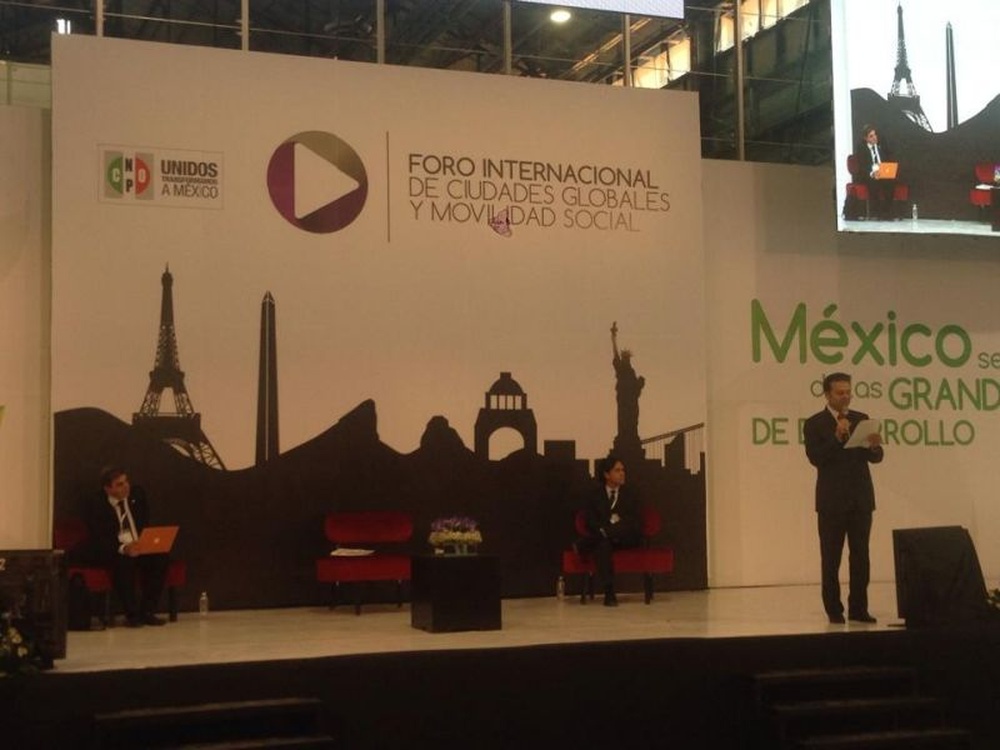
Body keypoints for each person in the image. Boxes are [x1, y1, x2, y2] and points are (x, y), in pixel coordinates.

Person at [803, 373, 884, 625]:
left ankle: (859, 608)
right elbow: (816, 458)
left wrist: (874, 447)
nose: (846, 396)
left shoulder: (861, 419)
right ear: (827, 394)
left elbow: (876, 458)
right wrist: (836, 438)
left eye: (848, 391)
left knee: (861, 556)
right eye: (840, 392)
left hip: (861, 499)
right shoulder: (815, 423)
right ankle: (834, 609)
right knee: (831, 558)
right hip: (832, 502)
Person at [84, 466, 169, 627]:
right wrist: (124, 548)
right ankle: (132, 614)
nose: (126, 487)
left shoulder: (137, 495)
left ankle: (148, 611)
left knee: (160, 558)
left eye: (126, 481)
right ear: (108, 489)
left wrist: (144, 543)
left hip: (138, 545)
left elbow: (144, 523)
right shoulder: (97, 504)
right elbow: (100, 537)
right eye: (119, 484)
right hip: (114, 549)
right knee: (123, 562)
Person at [575, 454, 642, 607]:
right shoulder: (594, 495)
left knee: (608, 534)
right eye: (617, 470)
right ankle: (609, 592)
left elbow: (634, 522)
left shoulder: (631, 494)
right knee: (603, 545)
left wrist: (609, 528)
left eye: (623, 470)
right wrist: (609, 526)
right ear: (606, 474)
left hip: (626, 539)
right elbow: (590, 521)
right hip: (605, 540)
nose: (622, 473)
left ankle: (585, 544)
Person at [611, 321, 644, 454]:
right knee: (624, 419)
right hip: (624, 401)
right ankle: (625, 439)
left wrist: (640, 383)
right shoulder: (621, 368)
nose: (628, 360)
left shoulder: (631, 371)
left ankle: (631, 438)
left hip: (632, 401)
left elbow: (636, 389)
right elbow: (615, 353)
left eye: (628, 358)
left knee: (633, 420)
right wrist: (613, 337)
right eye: (626, 358)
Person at [856, 124, 897, 220]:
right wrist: (872, 173)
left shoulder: (880, 146)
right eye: (871, 136)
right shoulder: (862, 149)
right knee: (874, 183)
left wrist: (885, 171)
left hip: (881, 173)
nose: (874, 137)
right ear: (866, 138)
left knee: (890, 183)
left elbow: (886, 160)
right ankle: (876, 213)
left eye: (875, 135)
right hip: (869, 175)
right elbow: (862, 167)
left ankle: (887, 212)